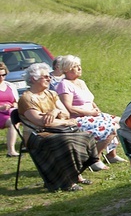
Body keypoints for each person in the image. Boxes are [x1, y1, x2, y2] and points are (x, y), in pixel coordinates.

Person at [17, 63, 99, 192]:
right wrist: (65, 122)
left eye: (49, 76)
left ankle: (75, 174)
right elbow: (42, 122)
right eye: (45, 77)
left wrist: (54, 111)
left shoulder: (51, 94)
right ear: (34, 79)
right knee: (66, 141)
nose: (49, 79)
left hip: (56, 130)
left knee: (85, 135)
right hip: (37, 135)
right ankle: (67, 182)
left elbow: (65, 113)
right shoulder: (26, 99)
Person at [55, 55, 122, 167]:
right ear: (67, 69)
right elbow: (69, 107)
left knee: (121, 121)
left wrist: (98, 111)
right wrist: (91, 113)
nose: (79, 68)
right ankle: (94, 158)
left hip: (92, 114)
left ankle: (111, 155)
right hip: (78, 119)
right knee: (113, 127)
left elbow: (90, 100)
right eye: (76, 67)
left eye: (79, 66)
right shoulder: (64, 85)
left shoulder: (81, 82)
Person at [0, 62, 20, 157]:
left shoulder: (10, 86)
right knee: (13, 121)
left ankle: (28, 145)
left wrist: (14, 106)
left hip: (10, 111)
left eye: (3, 75)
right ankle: (11, 150)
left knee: (27, 118)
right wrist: (1, 107)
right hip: (1, 113)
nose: (1, 77)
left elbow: (15, 101)